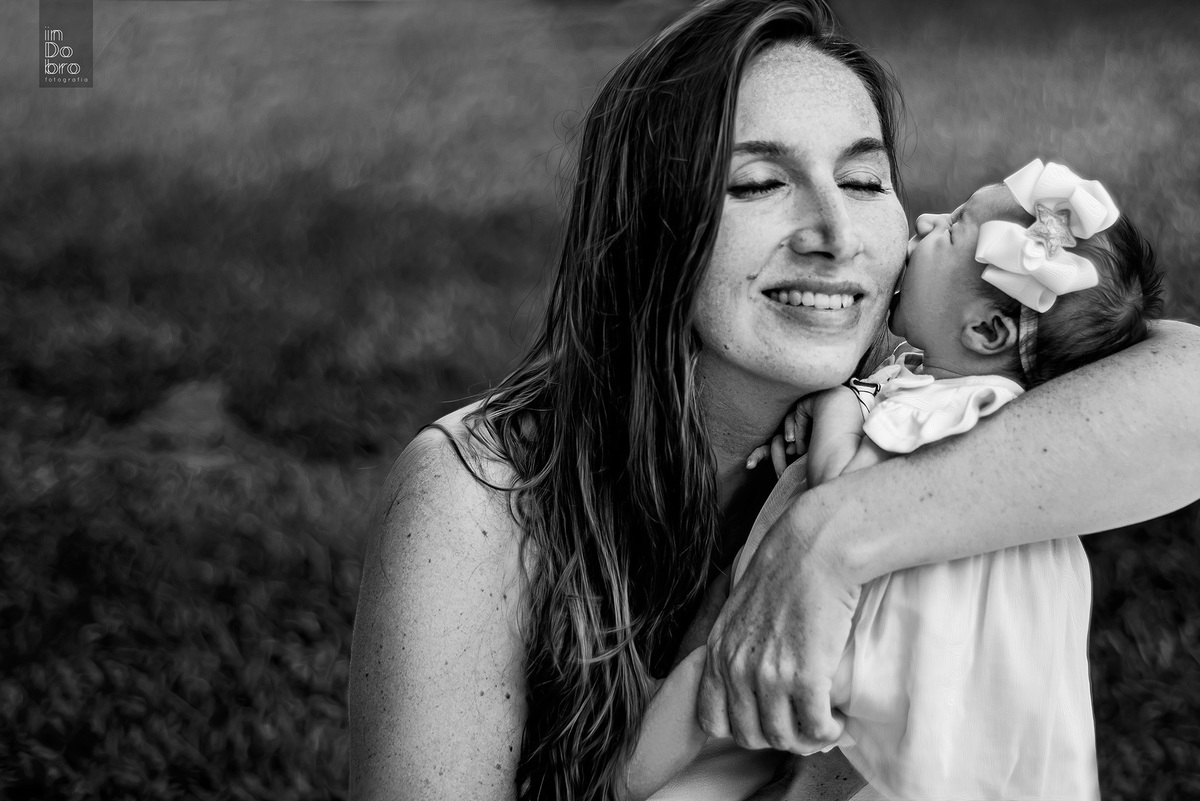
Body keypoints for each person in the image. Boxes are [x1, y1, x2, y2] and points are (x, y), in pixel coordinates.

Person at [347, 2, 1200, 800]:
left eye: (862, 181)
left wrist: (827, 540)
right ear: (649, 228)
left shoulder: (920, 397)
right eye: (757, 184)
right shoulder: (476, 499)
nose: (836, 234)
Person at [624, 158, 1162, 800]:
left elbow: (839, 487)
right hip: (910, 679)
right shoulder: (998, 422)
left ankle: (617, 779)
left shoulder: (939, 411)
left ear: (985, 330)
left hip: (844, 649)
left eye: (954, 228)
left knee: (705, 692)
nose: (928, 220)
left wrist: (838, 406)